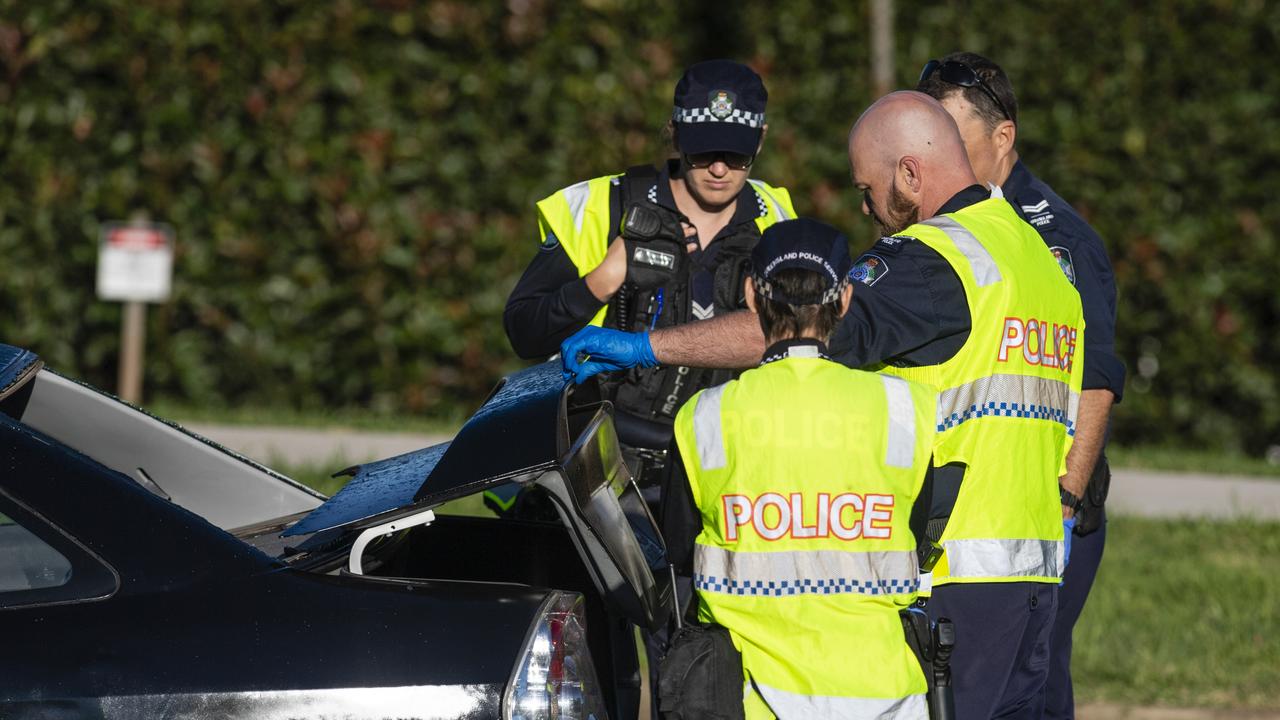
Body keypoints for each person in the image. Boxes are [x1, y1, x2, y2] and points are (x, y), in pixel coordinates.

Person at [563, 91, 1085, 718]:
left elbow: (796, 326)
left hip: (955, 574)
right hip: (1034, 573)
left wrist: (643, 345)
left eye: (868, 190)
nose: (867, 210)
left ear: (910, 174)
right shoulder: (1040, 261)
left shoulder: (932, 261)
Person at [917, 52, 1124, 720]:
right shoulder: (938, 223)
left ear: (1001, 138)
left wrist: (1065, 499)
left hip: (1043, 510)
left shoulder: (1056, 238)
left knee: (1032, 689)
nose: (930, 150)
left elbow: (1094, 381)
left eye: (947, 135)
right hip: (966, 512)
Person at [665, 217, 935, 719]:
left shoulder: (706, 415)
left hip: (751, 695)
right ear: (845, 299)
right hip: (886, 695)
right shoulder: (905, 408)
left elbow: (680, 550)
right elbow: (914, 538)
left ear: (751, 295)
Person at [498, 59, 795, 514]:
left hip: (721, 470)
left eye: (736, 154)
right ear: (675, 135)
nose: (719, 169)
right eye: (703, 151)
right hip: (598, 471)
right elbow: (524, 331)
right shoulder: (601, 205)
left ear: (761, 137)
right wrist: (601, 282)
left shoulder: (777, 220)